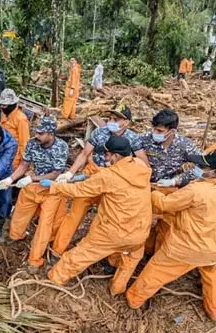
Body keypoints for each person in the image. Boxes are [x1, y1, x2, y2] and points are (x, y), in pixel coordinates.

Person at [126, 150, 216, 321]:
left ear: (214, 173)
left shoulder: (197, 190)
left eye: (202, 166)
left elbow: (165, 204)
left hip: (188, 249)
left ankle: (134, 299)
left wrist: (154, 191)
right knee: (212, 277)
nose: (198, 169)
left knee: (156, 271)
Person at [45, 136, 152, 296]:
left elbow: (78, 191)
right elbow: (118, 174)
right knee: (128, 259)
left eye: (107, 155)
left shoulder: (108, 177)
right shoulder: (140, 166)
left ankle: (54, 279)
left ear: (116, 156)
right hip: (139, 233)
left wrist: (55, 186)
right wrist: (94, 174)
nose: (105, 158)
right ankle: (116, 290)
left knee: (81, 254)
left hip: (114, 233)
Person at [51, 104, 147, 255]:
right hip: (93, 174)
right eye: (110, 118)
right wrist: (70, 173)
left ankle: (91, 252)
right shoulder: (100, 133)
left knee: (104, 220)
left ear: (126, 122)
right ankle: (58, 249)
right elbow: (84, 153)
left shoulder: (133, 139)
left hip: (115, 180)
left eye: (116, 119)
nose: (111, 121)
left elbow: (143, 164)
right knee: (75, 214)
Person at [0, 117, 69, 273]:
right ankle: (16, 235)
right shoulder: (32, 143)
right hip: (32, 185)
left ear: (51, 134)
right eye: (36, 132)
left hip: (51, 190)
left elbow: (56, 173)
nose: (37, 135)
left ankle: (35, 259)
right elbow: (24, 165)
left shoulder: (61, 147)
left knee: (45, 225)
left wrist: (32, 178)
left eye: (41, 133)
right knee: (20, 213)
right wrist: (11, 178)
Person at [140, 109, 202, 187]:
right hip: (145, 184)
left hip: (172, 187)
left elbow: (202, 166)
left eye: (159, 131)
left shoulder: (184, 144)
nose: (154, 133)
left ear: (172, 131)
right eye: (154, 128)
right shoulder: (144, 139)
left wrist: (176, 181)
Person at [0, 89, 30, 173]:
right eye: (0, 105)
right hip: (2, 152)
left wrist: (23, 162)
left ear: (12, 105)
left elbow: (24, 142)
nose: (1, 107)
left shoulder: (21, 119)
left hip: (14, 157)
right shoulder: (4, 114)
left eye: (4, 105)